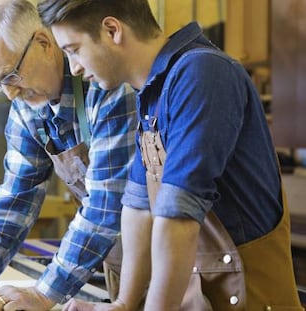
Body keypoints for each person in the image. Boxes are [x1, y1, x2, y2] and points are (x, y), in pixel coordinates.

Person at [38, 1, 304, 310]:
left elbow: (176, 216)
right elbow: (137, 207)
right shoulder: (153, 91)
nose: (74, 68)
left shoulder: (201, 74)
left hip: (254, 299)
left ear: (112, 30)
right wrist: (123, 304)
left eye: (73, 50)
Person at [0, 0, 137, 310]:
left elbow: (106, 206)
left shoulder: (106, 85)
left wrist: (42, 295)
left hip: (178, 262)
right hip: (121, 267)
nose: (9, 94)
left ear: (43, 43)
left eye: (11, 75)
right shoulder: (27, 108)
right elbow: (16, 196)